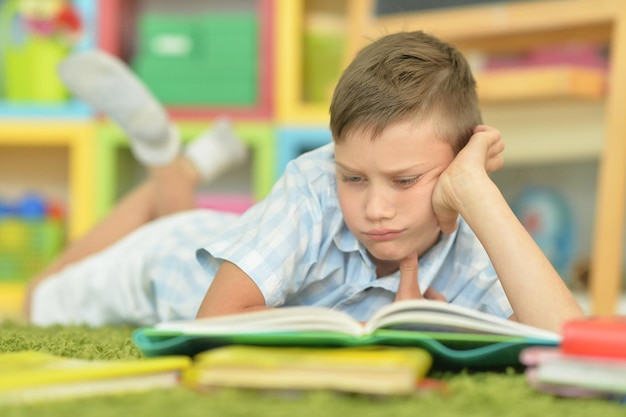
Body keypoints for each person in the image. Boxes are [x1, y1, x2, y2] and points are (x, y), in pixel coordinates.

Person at [26, 30, 584, 333]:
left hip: (240, 239)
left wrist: (478, 192)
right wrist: (370, 326)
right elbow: (216, 321)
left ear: (459, 169)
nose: (376, 209)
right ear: (334, 162)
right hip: (166, 267)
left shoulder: (470, 215)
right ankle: (169, 170)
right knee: (35, 301)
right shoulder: (313, 183)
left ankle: (177, 170)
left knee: (184, 220)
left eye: (405, 180)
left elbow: (565, 336)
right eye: (354, 177)